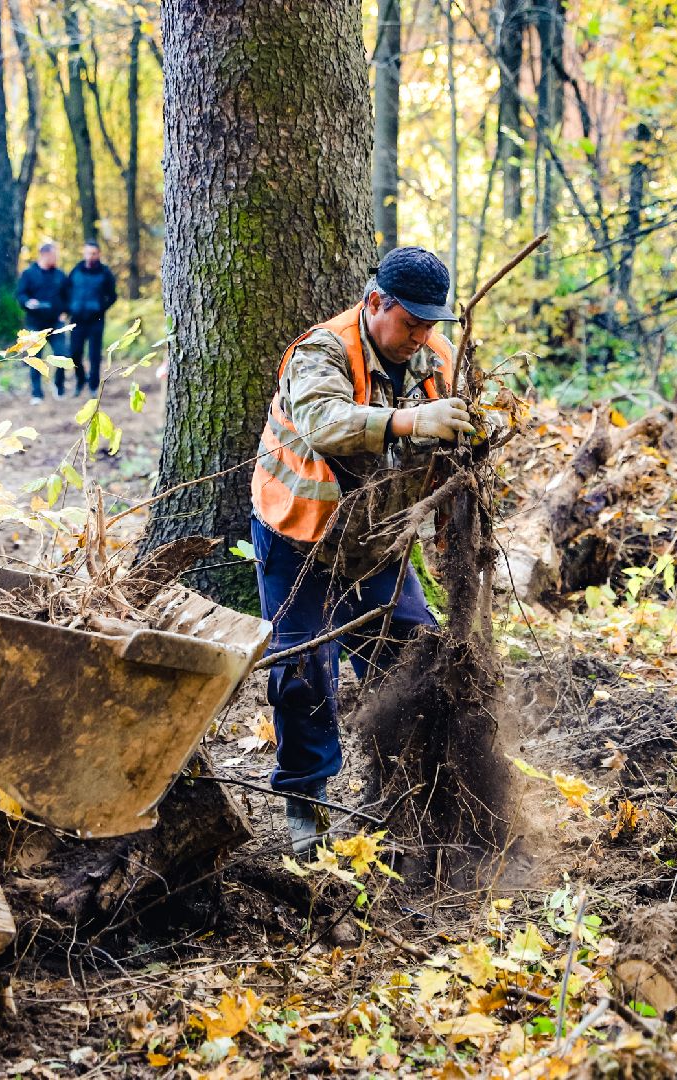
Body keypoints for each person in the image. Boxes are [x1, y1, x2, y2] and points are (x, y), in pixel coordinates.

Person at [249, 246, 475, 855]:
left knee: (410, 651)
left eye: (432, 324)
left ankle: (403, 789)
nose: (421, 336)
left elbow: (455, 452)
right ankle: (305, 803)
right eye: (411, 322)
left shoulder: (435, 359)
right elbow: (324, 423)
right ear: (375, 302)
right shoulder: (321, 350)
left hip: (376, 538)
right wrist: (412, 422)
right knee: (302, 666)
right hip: (299, 531)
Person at [62, 240, 119, 395]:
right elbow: (67, 291)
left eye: (94, 253)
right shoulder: (76, 271)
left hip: (96, 320)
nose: (90, 256)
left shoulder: (105, 273)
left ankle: (94, 386)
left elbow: (112, 296)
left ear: (99, 254)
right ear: (84, 253)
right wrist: (67, 309)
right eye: (88, 253)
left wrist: (101, 308)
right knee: (74, 353)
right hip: (77, 320)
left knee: (94, 355)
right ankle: (80, 380)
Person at [16, 241, 70, 403]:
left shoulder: (60, 275)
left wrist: (65, 312)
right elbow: (20, 295)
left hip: (56, 323)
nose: (56, 258)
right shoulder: (29, 274)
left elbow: (68, 297)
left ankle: (59, 385)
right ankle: (37, 393)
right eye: (54, 255)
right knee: (35, 358)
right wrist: (28, 302)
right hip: (35, 324)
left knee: (63, 354)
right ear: (44, 255)